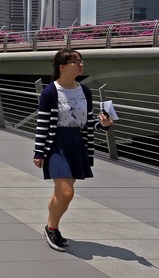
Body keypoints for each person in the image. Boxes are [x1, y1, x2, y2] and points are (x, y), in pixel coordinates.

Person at [33, 48, 114, 252]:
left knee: (61, 194)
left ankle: (50, 226)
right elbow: (42, 123)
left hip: (77, 143)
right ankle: (52, 228)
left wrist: (103, 124)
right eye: (75, 62)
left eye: (81, 61)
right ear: (62, 67)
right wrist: (39, 152)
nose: (80, 64)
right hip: (56, 143)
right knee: (66, 193)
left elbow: (86, 122)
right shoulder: (50, 91)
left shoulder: (84, 91)